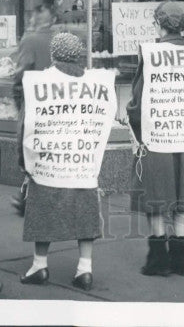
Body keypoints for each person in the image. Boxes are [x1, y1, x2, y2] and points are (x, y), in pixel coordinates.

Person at [18, 32, 115, 290]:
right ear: (79, 54)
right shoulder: (98, 84)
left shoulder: (40, 83)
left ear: (53, 54)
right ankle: (85, 269)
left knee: (43, 210)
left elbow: (25, 125)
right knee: (85, 212)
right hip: (82, 163)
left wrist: (24, 163)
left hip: (48, 163)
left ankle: (39, 265)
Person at [126, 2, 184, 277]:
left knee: (157, 196)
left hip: (158, 138)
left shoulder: (151, 55)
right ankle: (180, 255)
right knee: (183, 195)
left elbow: (137, 104)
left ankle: (158, 258)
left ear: (159, 24)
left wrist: (131, 120)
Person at [11, 3, 58, 214]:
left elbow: (21, 71)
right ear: (54, 20)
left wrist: (16, 95)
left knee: (29, 146)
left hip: (34, 102)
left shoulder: (30, 40)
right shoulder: (61, 40)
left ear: (33, 20)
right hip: (59, 103)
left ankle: (27, 198)